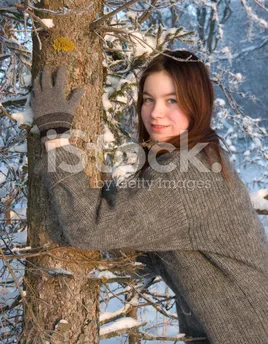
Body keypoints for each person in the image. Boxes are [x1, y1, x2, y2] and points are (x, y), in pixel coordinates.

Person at [31, 50, 268, 344]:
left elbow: (89, 229)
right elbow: (142, 245)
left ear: (198, 103)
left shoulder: (186, 176)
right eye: (148, 99)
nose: (155, 112)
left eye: (172, 100)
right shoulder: (201, 156)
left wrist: (55, 136)